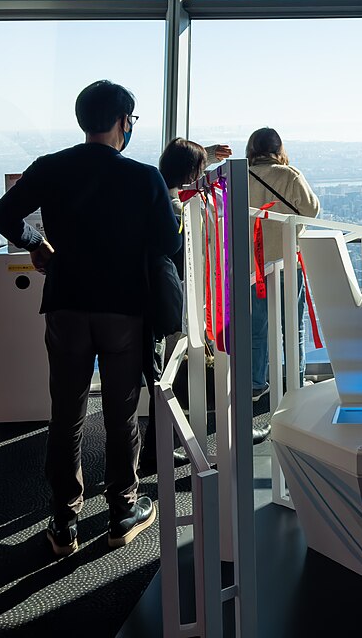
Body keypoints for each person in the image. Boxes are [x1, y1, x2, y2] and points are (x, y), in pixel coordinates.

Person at [0, 80, 180, 556]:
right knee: (121, 414)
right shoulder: (143, 177)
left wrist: (37, 244)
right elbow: (168, 245)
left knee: (66, 415)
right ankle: (122, 511)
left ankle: (63, 521)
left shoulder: (50, 167)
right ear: (123, 122)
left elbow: (1, 215)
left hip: (66, 305)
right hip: (124, 310)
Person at [140, 136, 229, 473]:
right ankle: (156, 451)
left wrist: (206, 155)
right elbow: (183, 257)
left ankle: (154, 448)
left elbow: (180, 167)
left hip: (141, 299)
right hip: (166, 303)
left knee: (155, 378)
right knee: (164, 379)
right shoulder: (178, 208)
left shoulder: (152, 193)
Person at [245, 128, 320, 413]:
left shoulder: (242, 176)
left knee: (257, 327)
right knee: (292, 325)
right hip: (287, 260)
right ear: (279, 149)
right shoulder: (290, 176)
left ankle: (256, 382)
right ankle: (295, 383)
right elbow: (312, 210)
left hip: (254, 265)